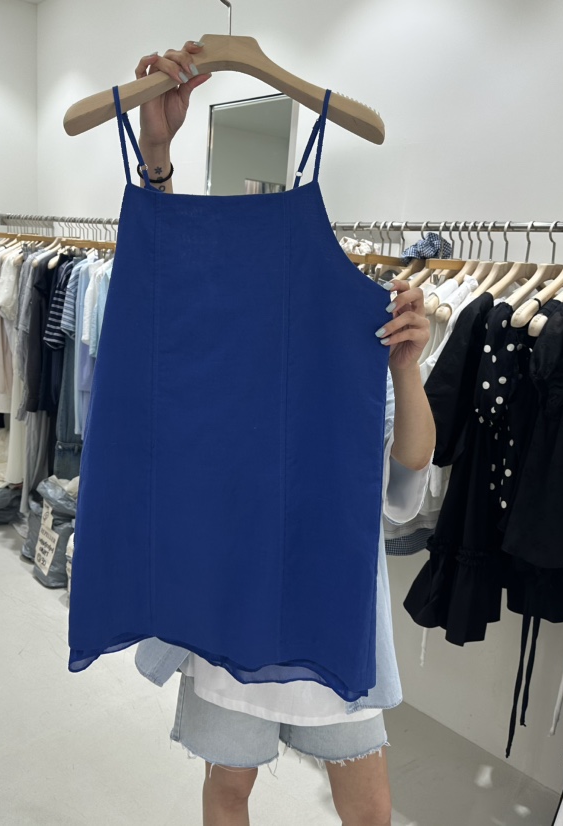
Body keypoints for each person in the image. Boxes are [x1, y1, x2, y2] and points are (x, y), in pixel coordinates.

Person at [129, 41, 435, 826]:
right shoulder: (214, 346)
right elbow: (166, 279)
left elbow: (405, 484)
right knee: (228, 789)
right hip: (227, 605)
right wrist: (157, 156)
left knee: (369, 812)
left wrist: (405, 371)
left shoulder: (347, 341)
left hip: (331, 610)